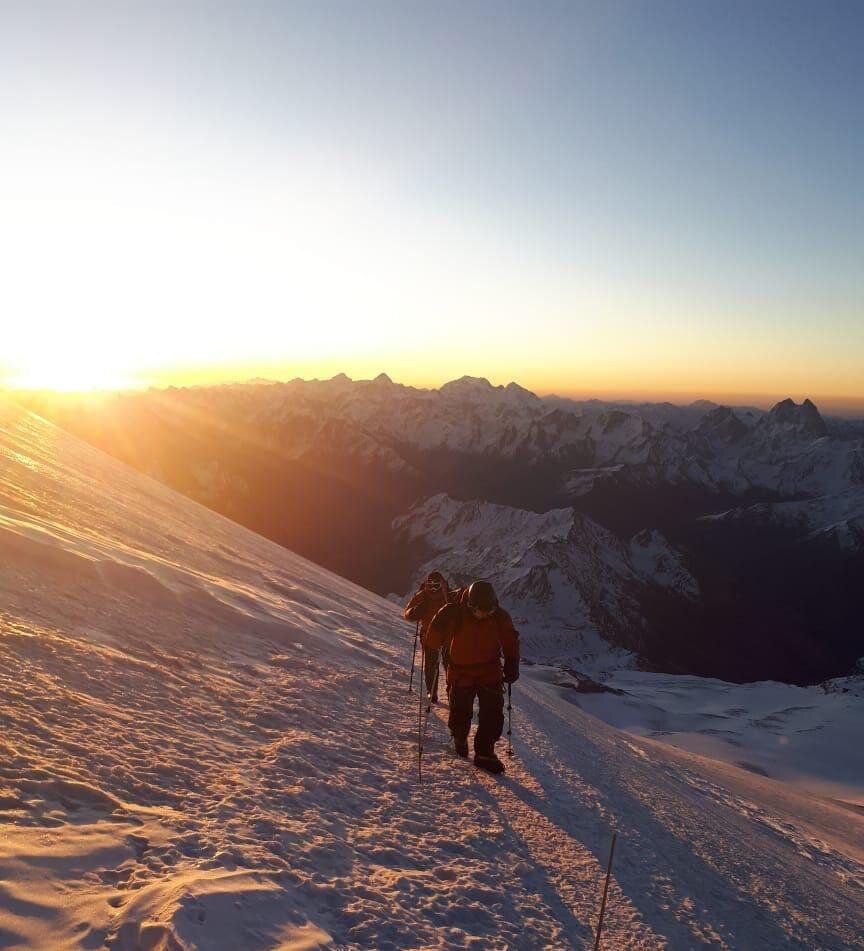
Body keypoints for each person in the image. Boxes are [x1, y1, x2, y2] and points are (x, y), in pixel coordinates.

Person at [426, 580, 520, 774]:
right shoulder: (455, 613)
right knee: (461, 710)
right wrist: (437, 625)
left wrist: (512, 662)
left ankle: (484, 753)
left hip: (484, 672)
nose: (484, 615)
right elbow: (432, 641)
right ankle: (460, 737)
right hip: (464, 672)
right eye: (480, 611)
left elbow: (510, 641)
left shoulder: (499, 616)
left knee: (492, 714)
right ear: (470, 604)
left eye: (489, 611)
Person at [403, 571, 450, 702]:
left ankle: (450, 692)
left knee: (449, 667)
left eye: (436, 585)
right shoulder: (425, 595)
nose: (434, 588)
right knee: (431, 666)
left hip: (443, 637)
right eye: (431, 585)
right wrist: (414, 611)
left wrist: (414, 611)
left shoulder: (446, 594)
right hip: (432, 636)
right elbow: (407, 612)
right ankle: (432, 691)